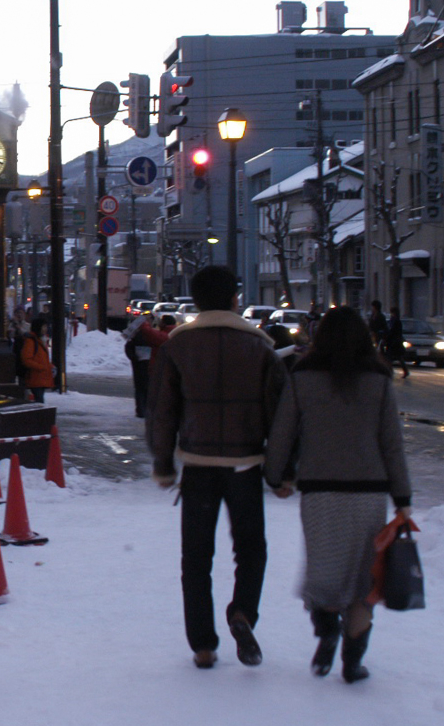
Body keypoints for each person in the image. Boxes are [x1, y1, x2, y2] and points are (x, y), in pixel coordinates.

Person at [147, 266, 287, 670]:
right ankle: (242, 612)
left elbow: (162, 410)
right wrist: (281, 473)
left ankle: (203, 645)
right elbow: (279, 415)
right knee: (252, 550)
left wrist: (163, 463)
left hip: (198, 466)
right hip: (245, 465)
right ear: (233, 299)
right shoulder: (259, 346)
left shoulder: (178, 346)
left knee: (196, 558)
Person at [264, 306, 412, 683]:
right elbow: (391, 444)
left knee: (326, 570)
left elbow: (284, 431)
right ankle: (353, 661)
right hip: (369, 492)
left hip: (320, 491)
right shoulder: (378, 379)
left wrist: (276, 474)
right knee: (364, 581)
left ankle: (327, 628)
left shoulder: (304, 376)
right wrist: (402, 497)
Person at [123, 314, 169, 418]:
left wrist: (134, 358)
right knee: (146, 388)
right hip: (146, 363)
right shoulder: (149, 334)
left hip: (140, 363)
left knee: (141, 388)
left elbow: (129, 347)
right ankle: (144, 410)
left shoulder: (137, 334)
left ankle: (141, 410)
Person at [20, 317, 55, 403]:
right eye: (44, 327)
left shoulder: (40, 341)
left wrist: (50, 366)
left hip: (40, 377)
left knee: (39, 400)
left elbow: (42, 359)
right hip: (35, 377)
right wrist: (41, 367)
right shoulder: (31, 341)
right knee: (39, 401)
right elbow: (26, 359)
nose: (46, 329)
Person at [386, 306, 410, 378]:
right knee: (398, 357)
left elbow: (393, 331)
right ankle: (404, 371)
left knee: (390, 357)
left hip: (395, 342)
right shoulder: (395, 320)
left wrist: (388, 336)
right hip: (396, 341)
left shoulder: (395, 321)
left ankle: (390, 372)